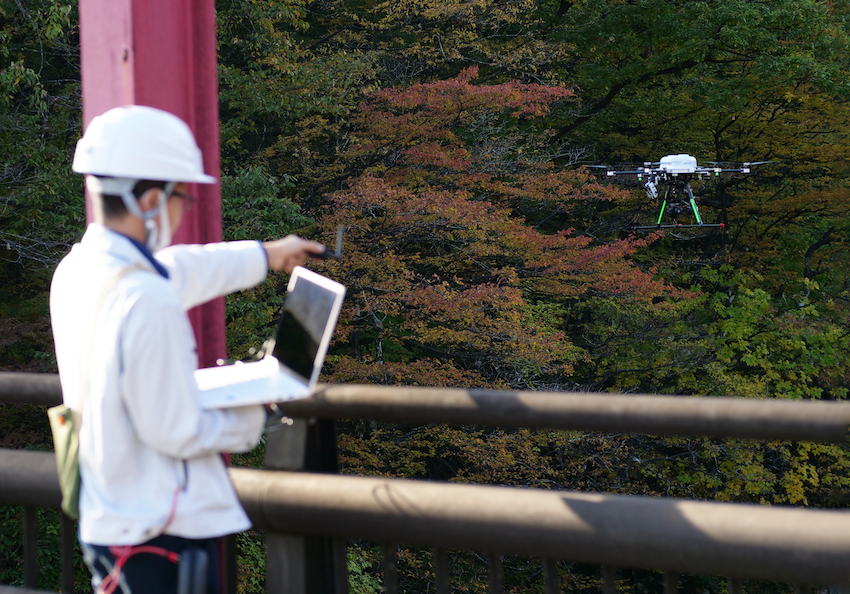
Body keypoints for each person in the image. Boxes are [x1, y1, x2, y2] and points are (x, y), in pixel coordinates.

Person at [49, 105, 324, 594]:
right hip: (160, 529)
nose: (183, 209)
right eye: (182, 197)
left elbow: (178, 268)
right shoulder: (146, 297)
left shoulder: (79, 270)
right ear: (151, 200)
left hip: (113, 519)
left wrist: (265, 254)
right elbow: (175, 430)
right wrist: (257, 413)